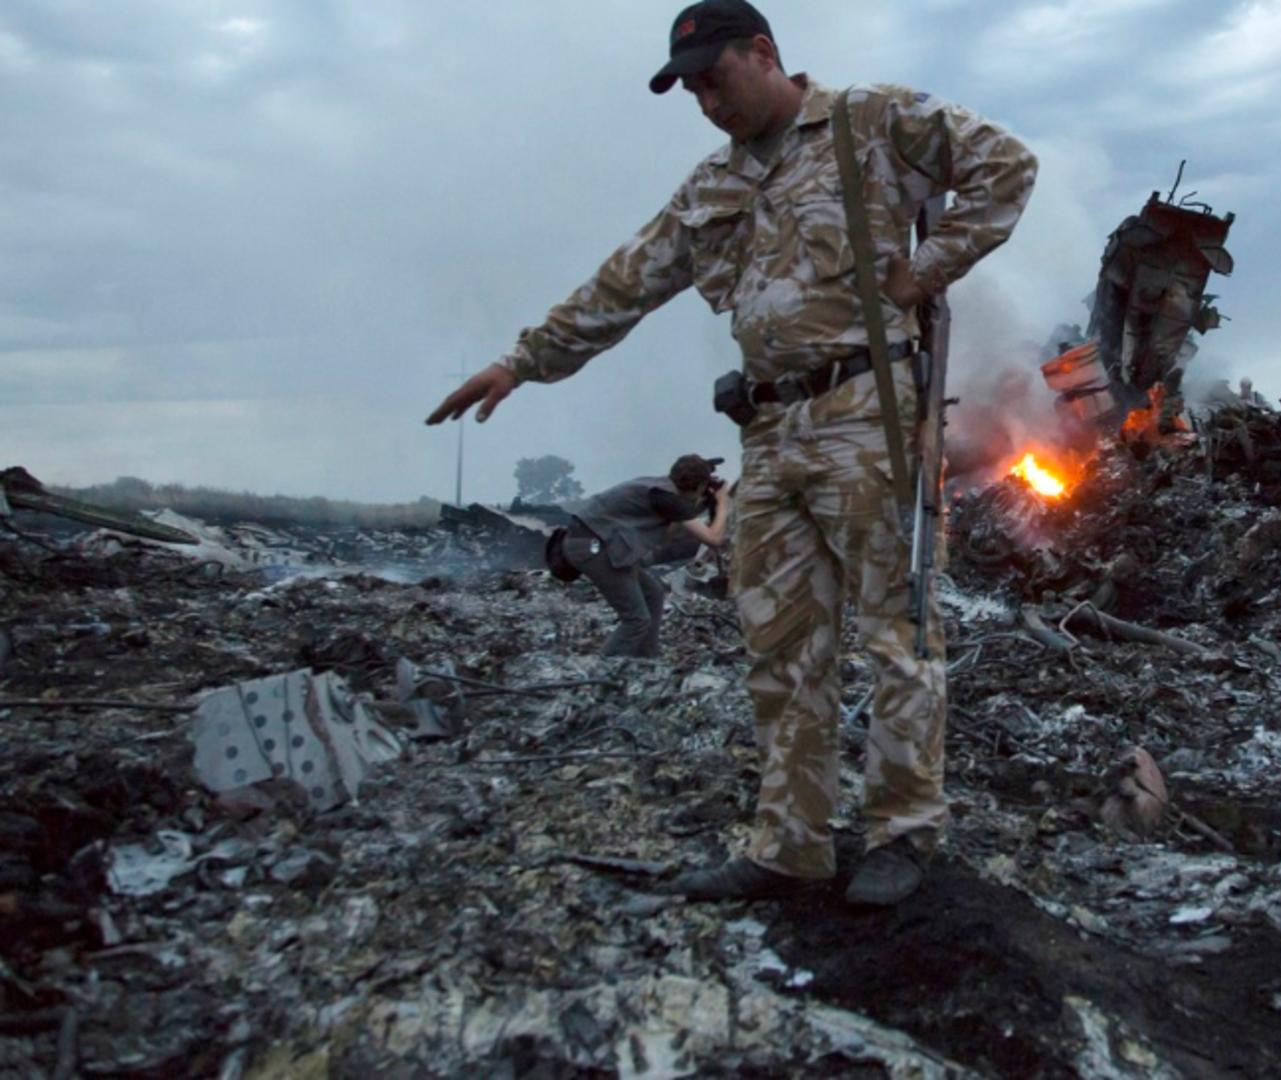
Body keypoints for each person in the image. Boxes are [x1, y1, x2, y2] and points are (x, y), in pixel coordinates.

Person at [426, 0, 1037, 906]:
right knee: (780, 646)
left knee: (898, 635)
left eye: (716, 80)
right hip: (770, 433)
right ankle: (791, 847)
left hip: (870, 416)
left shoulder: (869, 122)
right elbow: (626, 281)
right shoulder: (711, 186)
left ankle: (903, 833)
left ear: (764, 52)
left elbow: (1007, 166)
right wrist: (522, 361)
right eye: (694, 93)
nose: (708, 104)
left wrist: (928, 265)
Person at [545, 454, 731, 659]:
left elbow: (669, 533)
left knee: (653, 594)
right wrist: (723, 502)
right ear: (699, 485)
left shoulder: (660, 489)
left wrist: (702, 502)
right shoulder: (667, 498)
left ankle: (646, 660)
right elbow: (714, 539)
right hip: (593, 548)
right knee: (636, 619)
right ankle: (604, 670)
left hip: (597, 545)